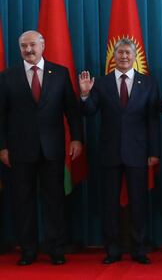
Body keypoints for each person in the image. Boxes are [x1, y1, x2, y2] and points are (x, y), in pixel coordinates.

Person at [0, 30, 83, 265]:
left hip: (52, 149)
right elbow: (1, 116)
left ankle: (56, 249)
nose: (28, 50)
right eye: (24, 46)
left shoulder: (59, 73)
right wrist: (2, 147)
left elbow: (72, 110)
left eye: (32, 45)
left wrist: (77, 139)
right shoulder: (8, 76)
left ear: (43, 45)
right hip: (19, 151)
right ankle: (28, 250)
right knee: (23, 202)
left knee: (54, 201)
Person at [78, 38, 159, 265]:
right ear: (114, 57)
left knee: (139, 202)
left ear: (135, 56)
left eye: (127, 53)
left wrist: (154, 152)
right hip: (109, 152)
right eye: (120, 53)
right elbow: (89, 112)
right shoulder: (101, 83)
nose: (124, 57)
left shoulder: (149, 83)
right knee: (109, 204)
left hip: (138, 152)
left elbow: (152, 120)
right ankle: (112, 250)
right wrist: (85, 95)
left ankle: (139, 249)